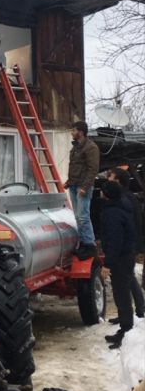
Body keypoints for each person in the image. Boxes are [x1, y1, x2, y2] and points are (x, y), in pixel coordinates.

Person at [101, 181, 137, 349]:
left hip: (121, 258)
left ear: (107, 194)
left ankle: (126, 332)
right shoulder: (122, 206)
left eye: (102, 191)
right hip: (127, 255)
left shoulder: (113, 213)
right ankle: (125, 329)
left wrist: (107, 264)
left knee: (121, 295)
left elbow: (115, 241)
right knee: (122, 294)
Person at [107, 168, 144, 322]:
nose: (108, 181)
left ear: (119, 182)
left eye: (111, 178)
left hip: (127, 246)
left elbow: (134, 223)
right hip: (128, 245)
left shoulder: (126, 199)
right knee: (129, 278)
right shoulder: (122, 198)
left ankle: (131, 314)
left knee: (125, 280)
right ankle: (134, 311)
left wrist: (133, 245)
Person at [65, 120, 100, 258]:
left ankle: (90, 245)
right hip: (74, 185)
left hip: (83, 187)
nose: (72, 133)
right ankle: (82, 244)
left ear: (81, 132)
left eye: (74, 130)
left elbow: (92, 169)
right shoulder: (76, 147)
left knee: (83, 217)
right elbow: (75, 167)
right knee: (77, 217)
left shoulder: (91, 147)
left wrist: (85, 187)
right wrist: (69, 182)